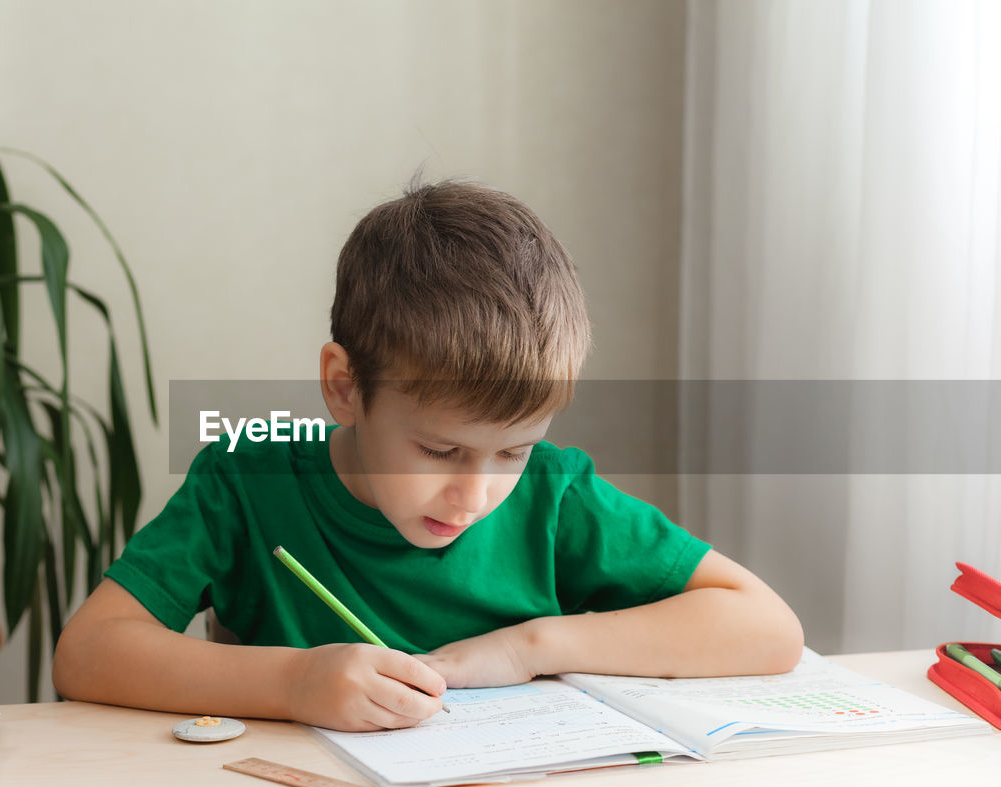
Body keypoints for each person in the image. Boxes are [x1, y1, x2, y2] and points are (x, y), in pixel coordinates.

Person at [52, 180, 803, 732]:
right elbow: (87, 653)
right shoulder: (247, 479)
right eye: (439, 449)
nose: (473, 495)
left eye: (512, 449)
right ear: (344, 387)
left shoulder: (553, 496)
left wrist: (530, 647)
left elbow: (767, 627)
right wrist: (294, 680)